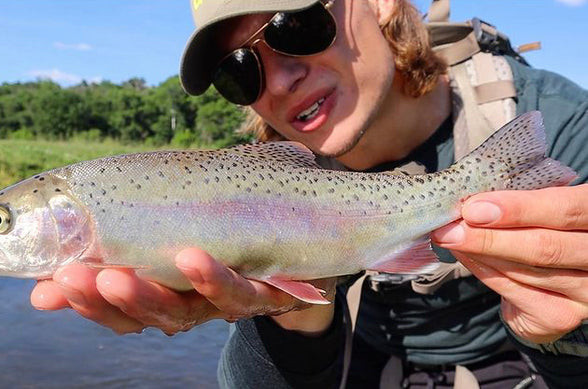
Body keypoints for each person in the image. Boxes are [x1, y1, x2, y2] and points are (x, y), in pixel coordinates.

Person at [30, 0, 588, 387]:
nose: (276, 83)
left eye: (294, 27)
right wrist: (292, 320)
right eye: (238, 73)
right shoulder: (254, 182)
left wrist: (570, 336)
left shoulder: (567, 126)